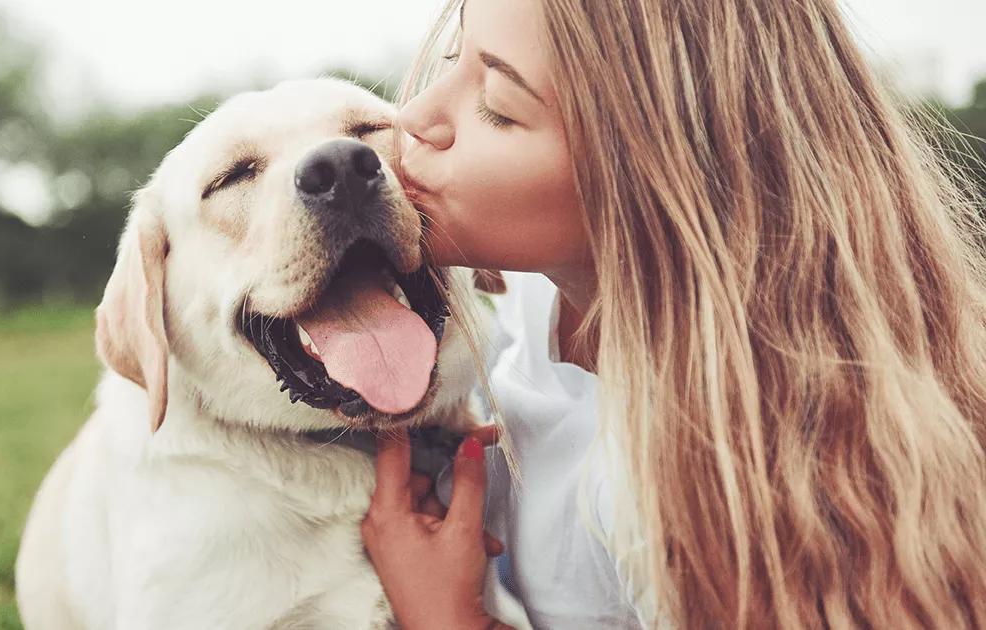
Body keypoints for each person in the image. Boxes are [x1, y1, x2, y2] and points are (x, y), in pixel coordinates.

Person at [358, 0, 986, 628]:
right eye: (453, 57)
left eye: (496, 105)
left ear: (646, 179)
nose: (415, 115)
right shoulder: (544, 286)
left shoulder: (686, 499)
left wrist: (444, 618)